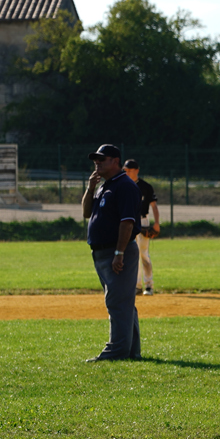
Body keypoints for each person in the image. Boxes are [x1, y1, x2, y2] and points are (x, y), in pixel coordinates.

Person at [81, 143, 142, 361]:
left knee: (117, 302)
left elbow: (127, 223)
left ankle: (116, 351)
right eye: (95, 159)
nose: (96, 162)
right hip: (102, 252)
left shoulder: (124, 185)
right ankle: (132, 351)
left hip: (116, 252)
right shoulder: (104, 185)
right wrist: (90, 188)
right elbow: (87, 212)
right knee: (123, 302)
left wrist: (119, 252)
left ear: (115, 161)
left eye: (101, 159)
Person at [124, 159, 161, 295]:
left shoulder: (145, 186)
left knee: (143, 254)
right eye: (125, 170)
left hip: (142, 221)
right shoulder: (123, 185)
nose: (126, 172)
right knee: (131, 255)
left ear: (137, 171)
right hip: (127, 223)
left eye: (129, 170)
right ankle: (137, 286)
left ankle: (149, 286)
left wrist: (156, 223)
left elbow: (154, 206)